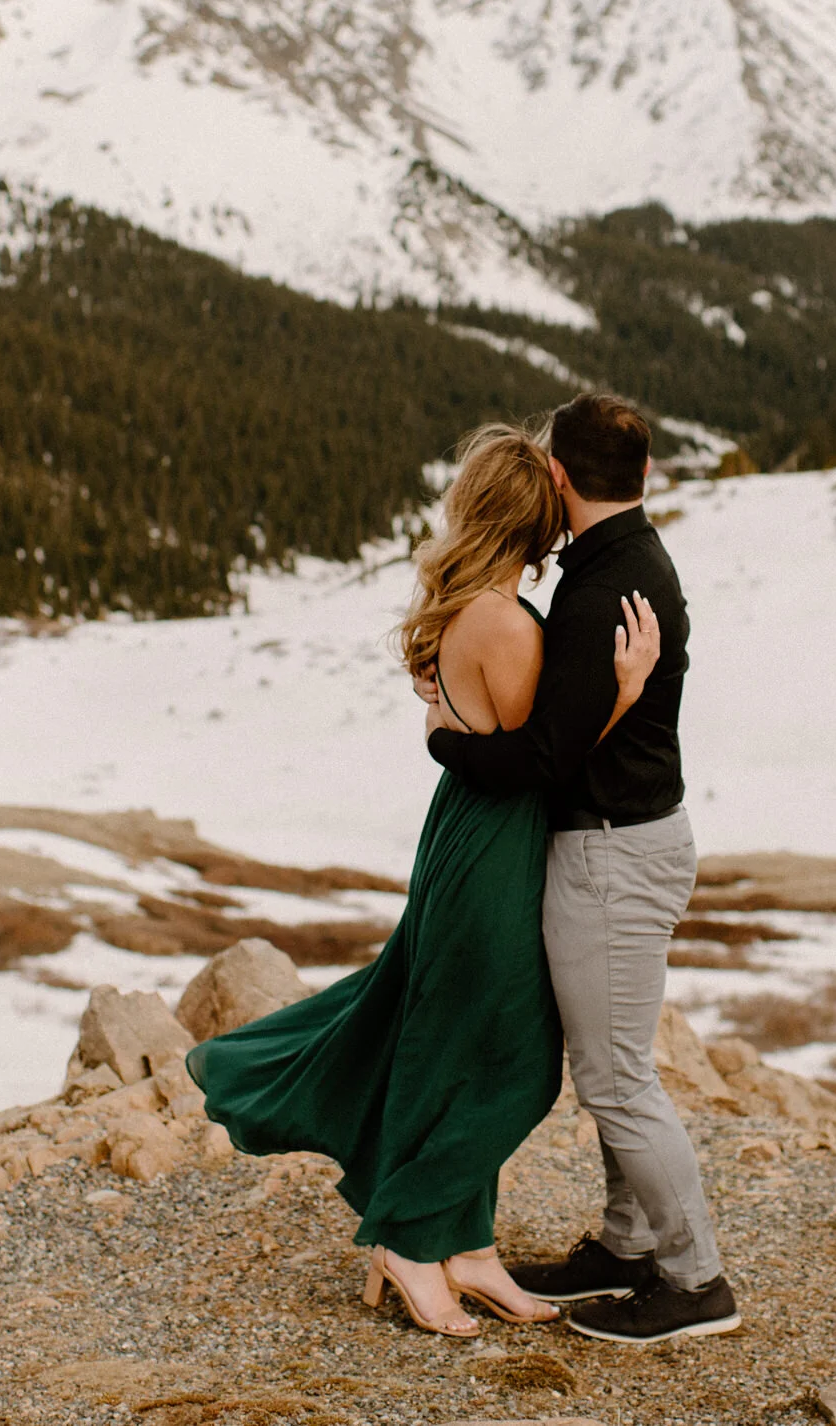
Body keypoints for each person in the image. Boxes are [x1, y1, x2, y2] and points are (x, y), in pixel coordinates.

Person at [186, 424, 661, 1339]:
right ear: (534, 524)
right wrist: (623, 697)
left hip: (472, 834)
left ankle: (469, 1248)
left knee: (458, 1040)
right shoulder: (504, 622)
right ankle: (407, 1239)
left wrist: (453, 731)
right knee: (517, 1067)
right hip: (495, 847)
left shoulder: (472, 607)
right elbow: (540, 764)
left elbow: (489, 745)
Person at [424, 391, 739, 1346]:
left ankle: (695, 1280)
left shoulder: (603, 589)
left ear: (558, 478)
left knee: (613, 1078)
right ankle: (625, 1248)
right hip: (627, 842)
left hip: (612, 852)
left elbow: (542, 760)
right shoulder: (623, 561)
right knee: (618, 1066)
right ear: (642, 477)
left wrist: (448, 742)